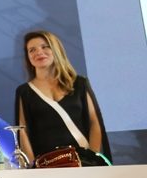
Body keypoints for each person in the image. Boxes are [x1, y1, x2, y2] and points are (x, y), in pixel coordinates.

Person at [15, 30, 111, 164]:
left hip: (82, 160)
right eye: (32, 50)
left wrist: (92, 158)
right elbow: (22, 131)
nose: (39, 52)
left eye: (45, 47)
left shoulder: (79, 83)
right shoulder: (24, 91)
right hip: (47, 164)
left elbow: (94, 122)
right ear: (28, 57)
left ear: (56, 50)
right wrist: (33, 166)